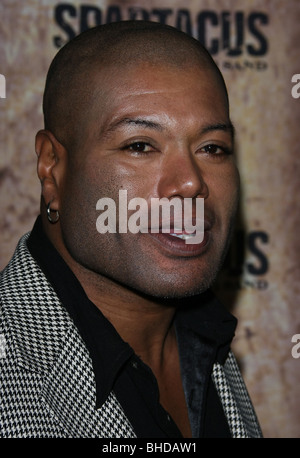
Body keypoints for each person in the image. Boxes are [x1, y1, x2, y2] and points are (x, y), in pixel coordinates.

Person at [0, 20, 262, 438]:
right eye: (139, 145)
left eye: (211, 148)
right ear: (52, 167)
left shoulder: (207, 342)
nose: (191, 181)